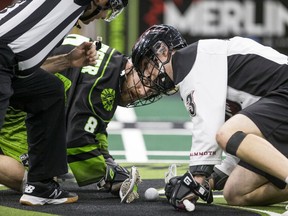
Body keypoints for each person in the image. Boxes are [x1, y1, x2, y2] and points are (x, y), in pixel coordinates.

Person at [131, 24, 288, 209]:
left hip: (283, 95)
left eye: (147, 65)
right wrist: (208, 181)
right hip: (279, 110)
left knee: (225, 133)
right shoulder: (199, 70)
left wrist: (195, 178)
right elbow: (242, 141)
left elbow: (212, 132)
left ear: (163, 51)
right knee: (236, 193)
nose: (148, 75)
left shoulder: (193, 61)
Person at [0, 34, 157, 204]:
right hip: (13, 102)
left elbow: (94, 127)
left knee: (50, 166)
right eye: (144, 81)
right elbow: (76, 141)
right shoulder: (104, 85)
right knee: (36, 178)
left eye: (152, 90)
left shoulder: (113, 65)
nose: (142, 92)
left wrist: (110, 164)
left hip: (18, 85)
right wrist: (109, 174)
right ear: (135, 65)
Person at [0, 0, 128, 205]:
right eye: (108, 8)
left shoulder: (60, 18)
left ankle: (41, 186)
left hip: (9, 65)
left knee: (49, 91)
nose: (104, 16)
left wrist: (68, 61)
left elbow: (24, 69)